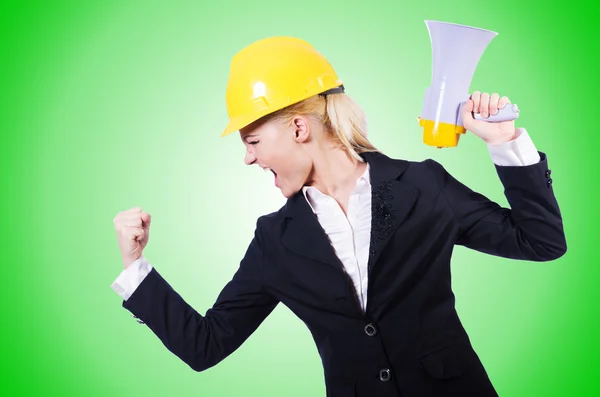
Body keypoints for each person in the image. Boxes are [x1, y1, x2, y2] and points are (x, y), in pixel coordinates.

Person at [111, 36, 566, 397]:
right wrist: (136, 267)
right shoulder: (275, 240)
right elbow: (205, 345)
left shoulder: (423, 186)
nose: (248, 159)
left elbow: (540, 242)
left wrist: (504, 142)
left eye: (252, 141)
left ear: (298, 127)